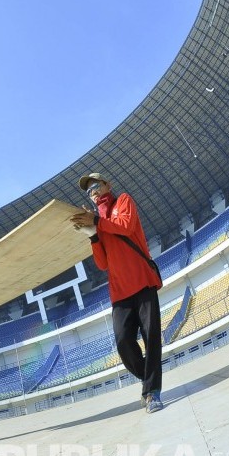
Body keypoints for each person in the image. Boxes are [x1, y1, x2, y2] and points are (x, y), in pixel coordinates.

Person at [70, 173, 164, 414]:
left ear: (107, 185)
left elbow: (126, 226)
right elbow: (102, 264)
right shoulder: (97, 221)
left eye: (96, 186)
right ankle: (148, 378)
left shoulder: (123, 201)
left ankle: (152, 392)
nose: (93, 192)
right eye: (89, 191)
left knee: (151, 337)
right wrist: (92, 235)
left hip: (143, 281)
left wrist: (98, 222)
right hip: (120, 292)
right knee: (123, 342)